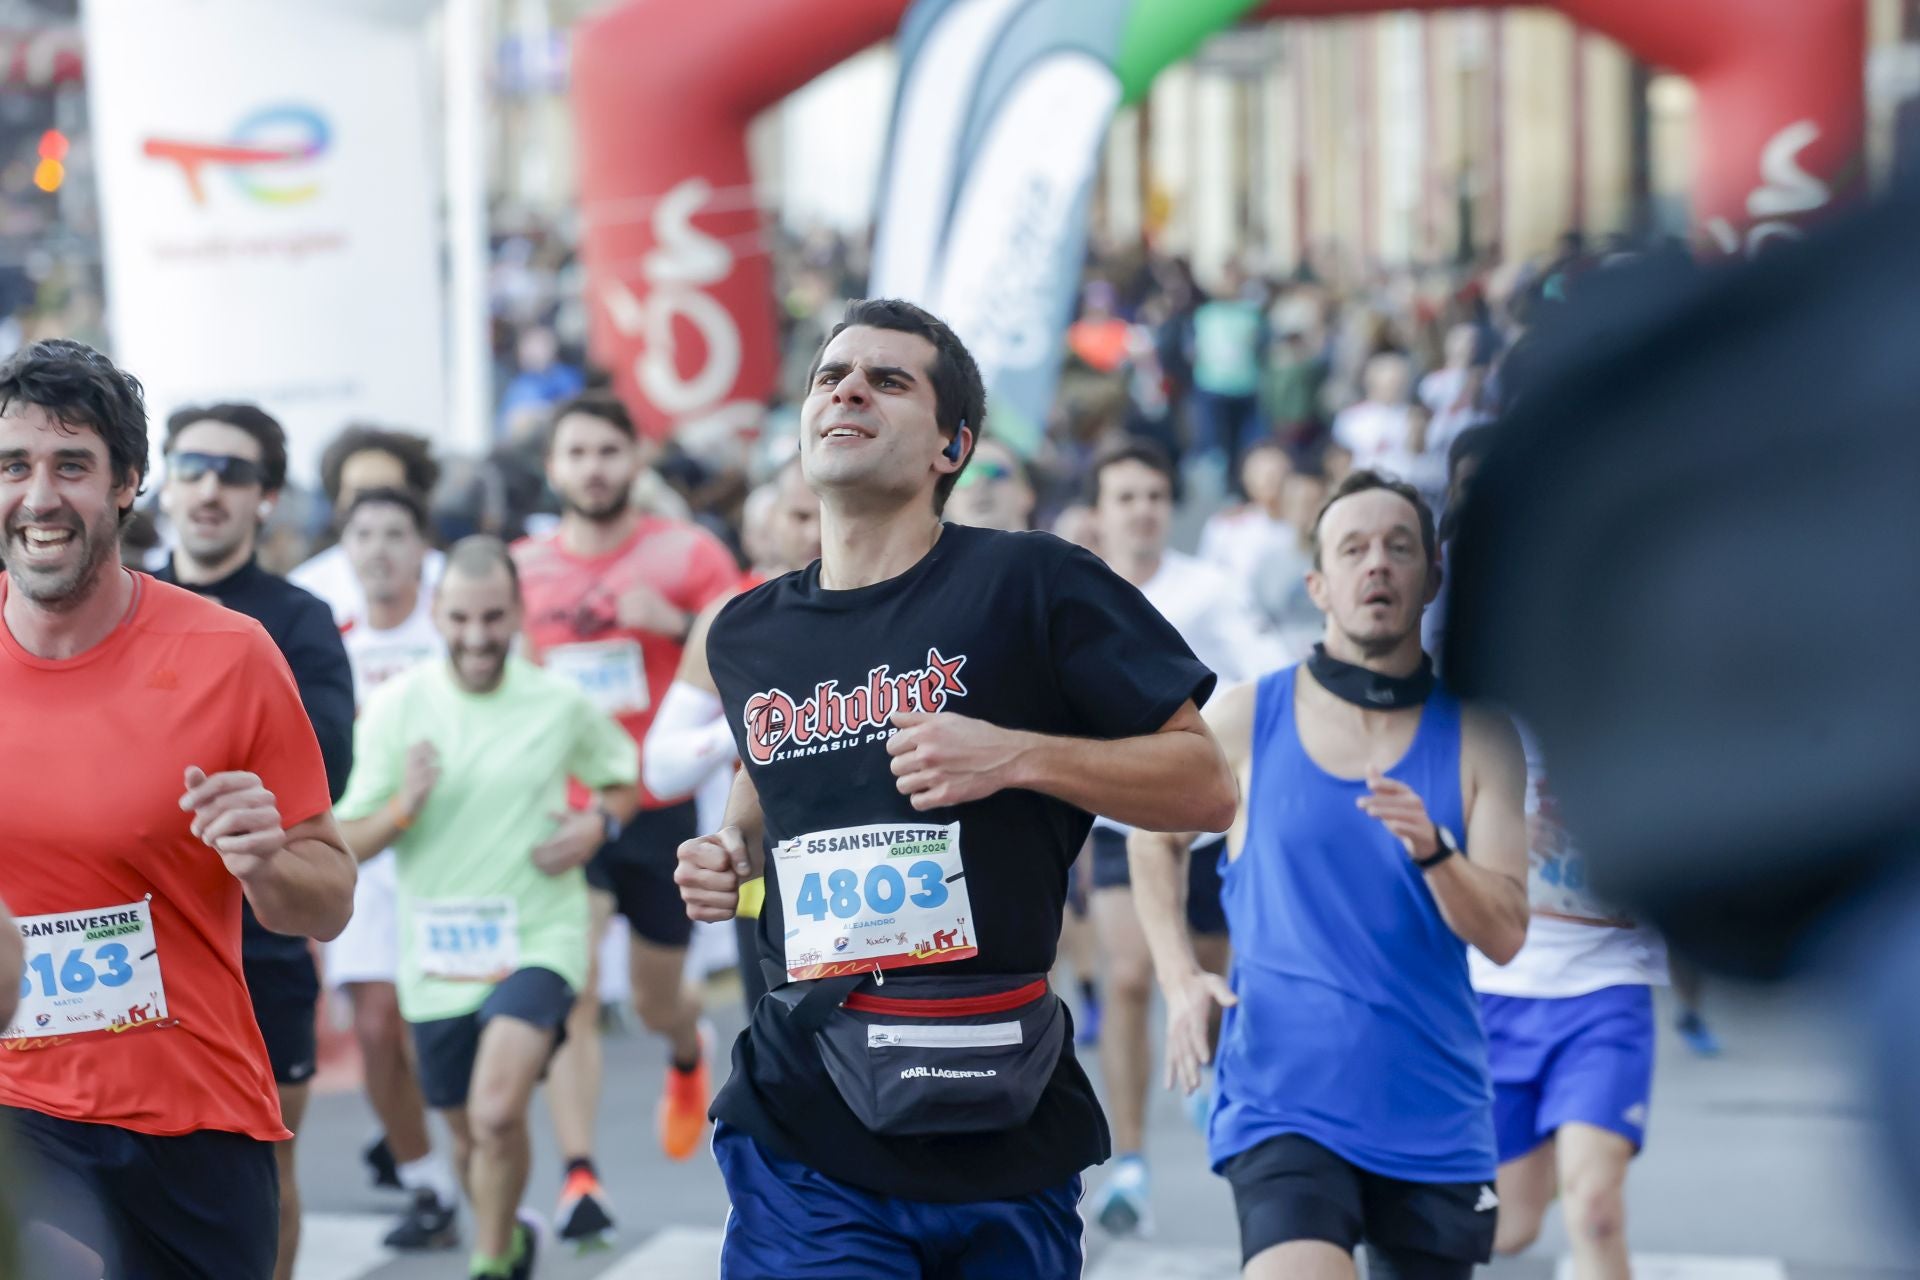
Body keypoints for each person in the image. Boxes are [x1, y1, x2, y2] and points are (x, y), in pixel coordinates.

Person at [676, 298, 1238, 1278]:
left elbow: (1205, 786)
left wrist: (1016, 754)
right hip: (806, 1114)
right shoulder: (747, 632)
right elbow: (770, 774)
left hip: (996, 1102)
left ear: (951, 444)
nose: (847, 388)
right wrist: (732, 847)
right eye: (830, 375)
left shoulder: (1033, 583)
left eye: (889, 379)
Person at [0, 339, 355, 1278]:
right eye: (12, 466)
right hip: (20, 1110)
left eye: (70, 466)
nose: (37, 497)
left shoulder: (230, 655)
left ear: (126, 485)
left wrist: (271, 861)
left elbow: (328, 899)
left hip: (194, 1118)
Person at [1131, 469, 1529, 1280]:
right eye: (1353, 548)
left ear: (1432, 578)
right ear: (1318, 584)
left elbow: (1507, 933)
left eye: (1398, 548)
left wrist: (1436, 855)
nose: (1376, 564)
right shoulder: (1248, 717)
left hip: (1432, 1110)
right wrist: (1180, 978)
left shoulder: (1480, 739)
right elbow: (1152, 837)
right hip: (1283, 1099)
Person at [334, 537, 640, 1280]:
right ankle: (506, 1242)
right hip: (436, 958)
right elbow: (346, 842)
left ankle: (486, 1265)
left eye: (493, 618)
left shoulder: (559, 702)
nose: (477, 638)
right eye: (462, 619)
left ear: (516, 614)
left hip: (540, 933)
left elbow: (622, 782)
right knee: (473, 1141)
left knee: (500, 1110)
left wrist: (599, 824)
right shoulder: (397, 709)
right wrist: (404, 805)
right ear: (437, 613)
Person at [511, 389, 740, 1244]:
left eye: (610, 451)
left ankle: (685, 1047)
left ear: (634, 461)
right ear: (553, 468)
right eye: (578, 453)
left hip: (656, 803)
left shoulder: (687, 554)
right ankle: (579, 1175)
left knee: (651, 1000)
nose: (594, 468)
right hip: (568, 808)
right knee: (568, 991)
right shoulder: (524, 567)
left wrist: (675, 623)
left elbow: (745, 651)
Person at [151, 401, 357, 1280]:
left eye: (233, 474)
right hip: (136, 926)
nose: (209, 488)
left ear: (265, 498)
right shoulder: (110, 601)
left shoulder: (296, 620)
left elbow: (327, 766)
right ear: (159, 478)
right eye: (192, 466)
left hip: (258, 936)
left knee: (263, 1159)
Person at [1081, 438, 1275, 1237]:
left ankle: (1205, 1089)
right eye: (1126, 497)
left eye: (1156, 496)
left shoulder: (1207, 589)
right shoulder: (1073, 589)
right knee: (1128, 975)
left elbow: (1271, 674)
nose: (1143, 510)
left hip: (1205, 823)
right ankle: (1129, 1159)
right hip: (1111, 818)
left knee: (1204, 982)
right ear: (1101, 511)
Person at [1472, 747, 1668, 1280]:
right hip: (1495, 986)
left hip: (1607, 990)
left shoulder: (1652, 712)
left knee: (1596, 1212)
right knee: (1508, 1231)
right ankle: (1566, 1146)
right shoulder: (1484, 708)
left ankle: (1582, 1158)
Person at [329, 485, 464, 1249]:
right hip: (366, 851)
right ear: (346, 551)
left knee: (440, 1035)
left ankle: (479, 1167)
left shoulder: (453, 633)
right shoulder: (332, 640)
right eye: (364, 534)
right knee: (377, 1027)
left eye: (394, 533)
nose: (378, 548)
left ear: (422, 548)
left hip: (456, 853)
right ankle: (427, 1184)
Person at [644, 459, 821, 1018]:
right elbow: (661, 766)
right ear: (770, 526)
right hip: (764, 877)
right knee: (787, 1064)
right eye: (799, 515)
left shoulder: (915, 598)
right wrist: (750, 728)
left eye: (829, 513)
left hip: (895, 878)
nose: (817, 532)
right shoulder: (735, 618)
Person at [291, 425, 446, 630]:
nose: (373, 505)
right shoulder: (306, 590)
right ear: (337, 501)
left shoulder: (449, 580)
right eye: (360, 492)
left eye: (387, 491)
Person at [1198, 439, 1295, 584]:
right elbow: (1206, 577)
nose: (1269, 479)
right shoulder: (1225, 526)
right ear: (1245, 477)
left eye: (1277, 472)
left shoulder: (1304, 526)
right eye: (1259, 471)